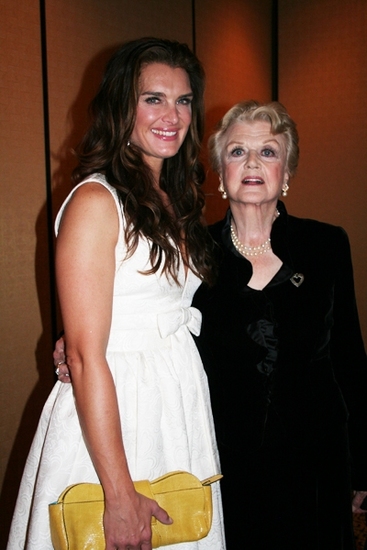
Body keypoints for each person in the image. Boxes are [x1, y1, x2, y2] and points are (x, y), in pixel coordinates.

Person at [7, 38, 225, 550]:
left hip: (174, 404)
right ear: (119, 106)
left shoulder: (174, 198)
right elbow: (84, 357)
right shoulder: (95, 200)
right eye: (153, 98)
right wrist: (120, 494)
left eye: (184, 100)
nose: (172, 114)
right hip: (117, 415)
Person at [191, 100, 367, 548]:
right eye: (237, 151)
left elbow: (348, 356)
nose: (252, 162)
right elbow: (144, 322)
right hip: (228, 465)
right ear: (219, 171)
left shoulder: (326, 244)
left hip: (318, 463)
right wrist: (70, 345)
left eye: (268, 151)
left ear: (286, 170)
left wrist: (365, 464)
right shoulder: (192, 254)